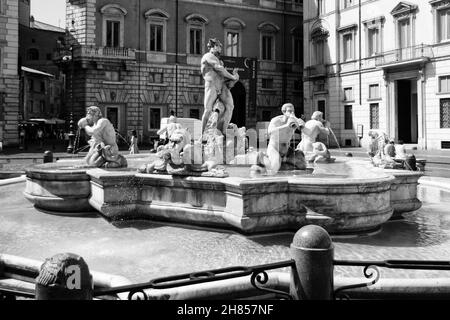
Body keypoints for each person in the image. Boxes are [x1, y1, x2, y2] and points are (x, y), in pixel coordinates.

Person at [200, 38, 239, 135]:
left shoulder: (219, 60)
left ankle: (224, 131)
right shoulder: (208, 56)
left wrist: (235, 78)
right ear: (212, 47)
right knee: (208, 109)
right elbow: (219, 68)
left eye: (220, 47)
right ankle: (202, 135)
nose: (220, 49)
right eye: (218, 46)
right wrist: (232, 76)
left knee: (230, 106)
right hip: (211, 85)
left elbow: (226, 80)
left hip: (221, 86)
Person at [256, 103, 306, 173]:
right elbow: (270, 132)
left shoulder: (294, 121)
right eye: (289, 111)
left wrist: (303, 125)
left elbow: (307, 132)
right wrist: (286, 126)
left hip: (287, 150)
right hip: (275, 148)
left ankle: (284, 160)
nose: (292, 113)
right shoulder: (276, 120)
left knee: (302, 165)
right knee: (275, 166)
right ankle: (262, 157)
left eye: (293, 111)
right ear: (284, 112)